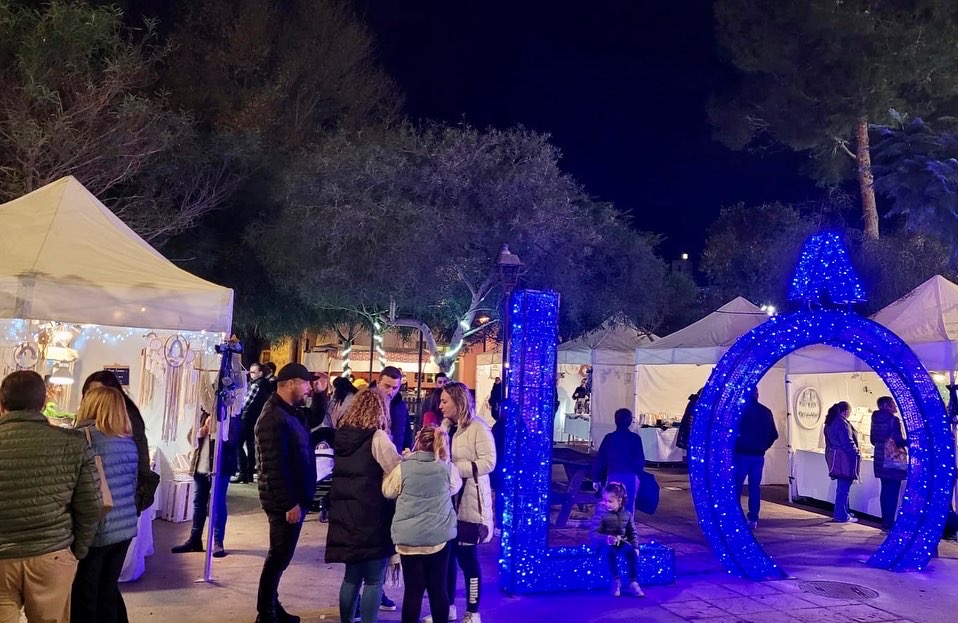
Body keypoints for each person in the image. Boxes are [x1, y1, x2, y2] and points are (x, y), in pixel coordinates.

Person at [0, 371, 101, 623]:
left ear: (2, 403)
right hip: (53, 553)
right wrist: (78, 550)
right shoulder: (73, 442)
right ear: (44, 402)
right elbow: (92, 505)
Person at [325, 389, 403, 623]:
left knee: (351, 577)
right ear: (379, 410)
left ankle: (347, 620)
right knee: (373, 579)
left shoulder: (342, 435)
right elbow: (394, 469)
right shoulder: (377, 437)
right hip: (371, 512)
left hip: (344, 513)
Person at [254, 363, 318, 623]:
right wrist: (289, 502)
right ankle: (266, 614)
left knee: (281, 556)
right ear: (290, 383)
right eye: (305, 383)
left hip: (296, 497)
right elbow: (272, 467)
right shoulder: (272, 417)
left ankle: (272, 607)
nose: (309, 388)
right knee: (278, 556)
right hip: (284, 501)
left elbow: (313, 419)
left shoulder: (291, 411)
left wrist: (321, 395)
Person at [71, 387, 139, 623]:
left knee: (85, 595)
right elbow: (132, 485)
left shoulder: (83, 438)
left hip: (97, 526)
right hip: (125, 528)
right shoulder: (128, 442)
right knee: (108, 591)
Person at [383, 426, 462, 623]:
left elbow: (388, 491)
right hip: (439, 539)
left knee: (413, 591)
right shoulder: (447, 468)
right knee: (438, 589)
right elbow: (454, 488)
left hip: (409, 541)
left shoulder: (403, 467)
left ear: (418, 442)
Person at [433, 381, 495, 623]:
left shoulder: (479, 429)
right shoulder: (445, 428)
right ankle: (447, 608)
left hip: (469, 501)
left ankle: (472, 611)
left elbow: (489, 462)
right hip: (447, 503)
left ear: (458, 402)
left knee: (467, 560)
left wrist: (455, 469)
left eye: (445, 401)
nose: (440, 406)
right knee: (446, 559)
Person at [171, 360, 245, 558]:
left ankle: (218, 542)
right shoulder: (203, 412)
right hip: (200, 465)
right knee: (198, 502)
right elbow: (190, 436)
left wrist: (220, 429)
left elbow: (235, 439)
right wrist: (201, 431)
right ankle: (195, 539)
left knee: (218, 501)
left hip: (221, 465)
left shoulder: (233, 413)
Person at [82, 371, 158, 515]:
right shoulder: (101, 427)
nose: (92, 398)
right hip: (121, 500)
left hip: (117, 496)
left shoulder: (124, 422)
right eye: (88, 393)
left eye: (98, 392)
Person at [733, 388, 779, 529]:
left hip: (741, 453)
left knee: (737, 486)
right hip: (758, 455)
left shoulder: (740, 411)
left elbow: (733, 432)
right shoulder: (766, 412)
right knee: (754, 487)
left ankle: (736, 516)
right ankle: (753, 518)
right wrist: (763, 447)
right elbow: (774, 435)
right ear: (757, 395)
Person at [591, 482, 644, 598]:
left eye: (610, 501)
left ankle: (633, 582)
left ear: (620, 501)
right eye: (605, 501)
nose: (606, 504)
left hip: (621, 542)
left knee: (631, 553)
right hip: (605, 543)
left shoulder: (627, 514)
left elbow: (632, 532)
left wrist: (635, 546)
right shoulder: (601, 514)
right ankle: (615, 581)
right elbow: (594, 533)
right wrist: (606, 538)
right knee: (610, 553)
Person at [592, 408, 646, 514]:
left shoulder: (609, 438)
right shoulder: (635, 438)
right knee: (629, 506)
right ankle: (627, 527)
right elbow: (640, 460)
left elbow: (601, 459)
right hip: (630, 475)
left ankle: (613, 527)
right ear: (630, 421)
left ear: (615, 420)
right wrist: (638, 474)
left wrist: (596, 478)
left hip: (613, 474)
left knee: (611, 505)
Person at [870, 396, 907, 531]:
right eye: (893, 404)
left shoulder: (874, 419)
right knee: (893, 492)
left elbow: (873, 440)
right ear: (887, 405)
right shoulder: (893, 420)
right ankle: (890, 524)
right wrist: (909, 442)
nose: (895, 407)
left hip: (880, 459)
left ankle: (886, 523)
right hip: (892, 461)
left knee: (885, 491)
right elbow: (898, 441)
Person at [824, 401, 860, 523]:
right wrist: (857, 452)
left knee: (842, 486)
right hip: (844, 459)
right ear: (846, 411)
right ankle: (841, 515)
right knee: (844, 487)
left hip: (835, 457)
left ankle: (844, 512)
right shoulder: (842, 423)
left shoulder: (831, 421)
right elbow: (847, 442)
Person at [235, 362, 271, 484]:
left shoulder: (257, 385)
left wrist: (237, 409)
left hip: (248, 418)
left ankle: (243, 472)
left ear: (260, 373)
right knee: (251, 446)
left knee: (237, 443)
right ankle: (248, 474)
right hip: (256, 418)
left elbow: (246, 402)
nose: (251, 374)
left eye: (253, 372)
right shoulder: (265, 385)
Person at [378, 366, 412, 454]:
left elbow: (407, 430)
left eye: (395, 388)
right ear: (379, 382)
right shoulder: (367, 402)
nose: (390, 391)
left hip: (395, 454)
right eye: (387, 386)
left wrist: (407, 448)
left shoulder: (400, 405)